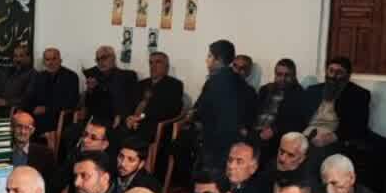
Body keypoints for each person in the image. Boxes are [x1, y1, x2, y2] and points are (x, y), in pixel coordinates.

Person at [295, 55, 371, 151]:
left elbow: (358, 125)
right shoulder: (313, 90)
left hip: (333, 138)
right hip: (306, 135)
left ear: (348, 76)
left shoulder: (358, 94)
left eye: (339, 72)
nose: (333, 76)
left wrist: (333, 137)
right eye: (331, 71)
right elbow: (299, 117)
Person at [192, 40, 245, 172]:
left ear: (219, 59)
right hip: (234, 140)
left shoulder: (214, 82)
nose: (206, 60)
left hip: (214, 141)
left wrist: (193, 116)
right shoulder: (239, 80)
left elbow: (202, 110)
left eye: (209, 56)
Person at [123, 51, 184, 147]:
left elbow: (170, 110)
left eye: (158, 62)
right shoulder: (141, 84)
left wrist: (140, 118)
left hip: (154, 125)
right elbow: (130, 103)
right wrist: (128, 117)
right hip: (134, 123)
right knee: (113, 133)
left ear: (166, 67)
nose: (153, 66)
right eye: (151, 63)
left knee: (137, 137)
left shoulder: (174, 85)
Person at [249, 58, 306, 157]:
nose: (282, 78)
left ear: (294, 76)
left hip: (275, 135)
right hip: (255, 132)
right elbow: (252, 111)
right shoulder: (265, 90)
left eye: (287, 75)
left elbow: (296, 121)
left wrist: (274, 130)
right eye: (279, 74)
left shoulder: (299, 94)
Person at [29, 46, 80, 136]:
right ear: (44, 62)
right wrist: (29, 107)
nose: (50, 63)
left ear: (60, 60)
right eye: (47, 60)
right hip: (38, 114)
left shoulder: (71, 76)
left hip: (59, 115)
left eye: (54, 59)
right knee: (22, 118)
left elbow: (71, 102)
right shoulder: (40, 76)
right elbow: (31, 96)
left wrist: (47, 109)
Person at [84, 45, 139, 127]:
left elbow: (133, 101)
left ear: (113, 58)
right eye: (98, 59)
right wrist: (90, 90)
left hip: (119, 119)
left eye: (104, 58)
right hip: (97, 120)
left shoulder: (128, 76)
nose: (100, 62)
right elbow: (89, 106)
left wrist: (121, 115)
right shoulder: (94, 77)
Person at [7, 108, 56, 179]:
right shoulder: (2, 153)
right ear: (12, 128)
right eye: (19, 127)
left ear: (32, 130)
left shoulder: (45, 154)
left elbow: (51, 183)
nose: (23, 131)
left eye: (27, 128)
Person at [0, 41, 36, 111]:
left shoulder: (32, 74)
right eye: (15, 56)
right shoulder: (7, 71)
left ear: (28, 58)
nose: (18, 59)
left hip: (16, 112)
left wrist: (7, 102)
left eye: (21, 56)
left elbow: (28, 98)